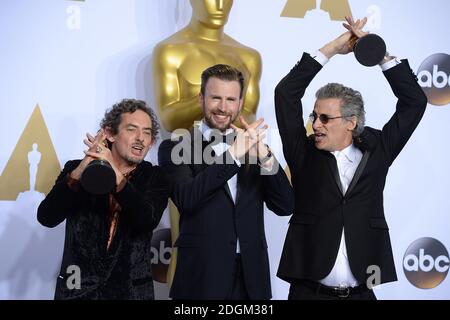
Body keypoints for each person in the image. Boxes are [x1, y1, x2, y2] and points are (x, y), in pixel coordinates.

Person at [275, 17, 427, 300]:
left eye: (324, 118)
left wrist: (376, 52)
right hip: (308, 294)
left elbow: (415, 102)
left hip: (361, 294)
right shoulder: (301, 152)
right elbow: (285, 94)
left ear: (350, 122)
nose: (316, 124)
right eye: (314, 116)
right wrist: (331, 49)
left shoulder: (378, 149)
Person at [158, 64, 294, 299]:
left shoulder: (254, 149)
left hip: (252, 281)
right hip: (201, 279)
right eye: (215, 98)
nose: (223, 107)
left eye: (231, 99)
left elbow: (285, 206)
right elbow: (186, 199)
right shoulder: (175, 147)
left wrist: (264, 155)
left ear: (240, 103)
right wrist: (232, 156)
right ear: (201, 98)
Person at [37, 99, 170, 300]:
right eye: (132, 129)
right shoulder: (77, 169)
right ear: (109, 134)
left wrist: (114, 173)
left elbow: (146, 220)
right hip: (76, 292)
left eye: (147, 132)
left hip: (131, 294)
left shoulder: (155, 177)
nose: (140, 138)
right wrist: (80, 171)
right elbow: (47, 217)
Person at [152, 0, 261, 132]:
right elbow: (169, 121)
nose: (220, 6)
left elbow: (249, 119)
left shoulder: (249, 57)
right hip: (186, 149)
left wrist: (211, 102)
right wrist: (217, 99)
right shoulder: (169, 51)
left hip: (237, 148)